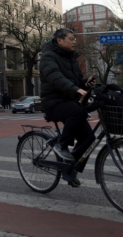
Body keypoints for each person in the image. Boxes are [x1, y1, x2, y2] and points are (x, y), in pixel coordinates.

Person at [40, 28, 96, 187]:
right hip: (53, 102)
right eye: (71, 39)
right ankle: (61, 144)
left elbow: (76, 80)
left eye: (74, 39)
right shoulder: (48, 56)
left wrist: (85, 84)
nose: (74, 41)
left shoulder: (71, 58)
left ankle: (70, 169)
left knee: (89, 138)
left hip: (69, 101)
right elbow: (55, 77)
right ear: (60, 40)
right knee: (78, 112)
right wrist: (75, 90)